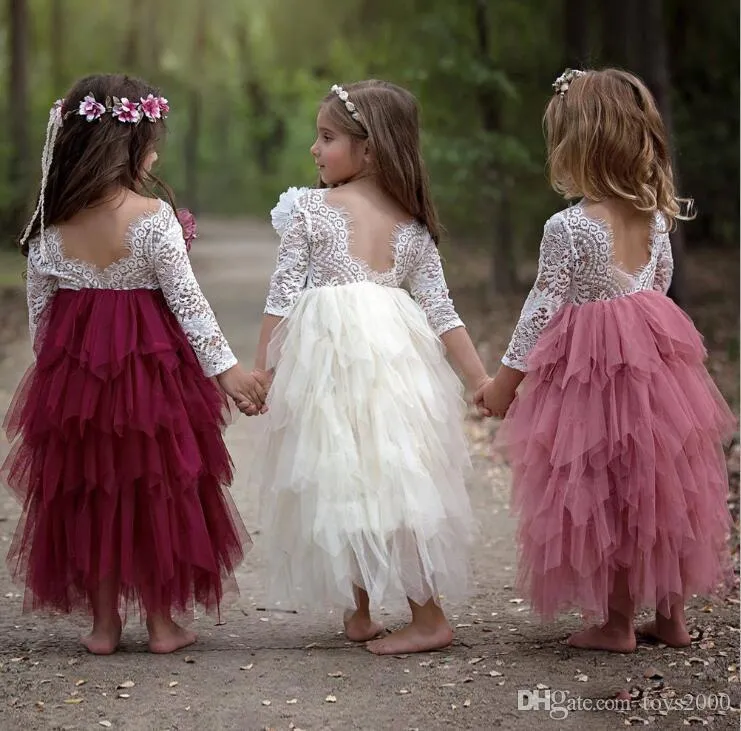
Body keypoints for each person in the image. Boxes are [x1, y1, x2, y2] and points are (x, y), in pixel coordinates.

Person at [1, 74, 267, 655]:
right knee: (155, 491)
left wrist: (57, 385)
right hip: (151, 382)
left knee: (91, 493)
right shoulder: (152, 219)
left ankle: (102, 626)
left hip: (76, 386)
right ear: (129, 147)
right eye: (150, 141)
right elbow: (191, 307)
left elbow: (41, 322)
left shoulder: (48, 227)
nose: (156, 154)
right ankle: (161, 624)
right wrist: (231, 376)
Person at [477, 68, 736, 652]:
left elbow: (541, 308)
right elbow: (659, 283)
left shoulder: (568, 226)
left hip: (595, 373)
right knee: (663, 483)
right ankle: (671, 617)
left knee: (608, 487)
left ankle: (617, 624)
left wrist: (503, 385)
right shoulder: (657, 216)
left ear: (580, 143)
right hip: (659, 366)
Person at [245, 80, 490, 655]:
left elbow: (281, 298)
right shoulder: (408, 222)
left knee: (364, 475)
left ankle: (428, 617)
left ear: (371, 148)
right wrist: (477, 378)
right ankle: (358, 612)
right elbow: (441, 313)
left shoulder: (321, 211)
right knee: (356, 473)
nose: (314, 149)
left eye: (326, 137)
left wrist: (263, 372)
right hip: (376, 360)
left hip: (358, 364)